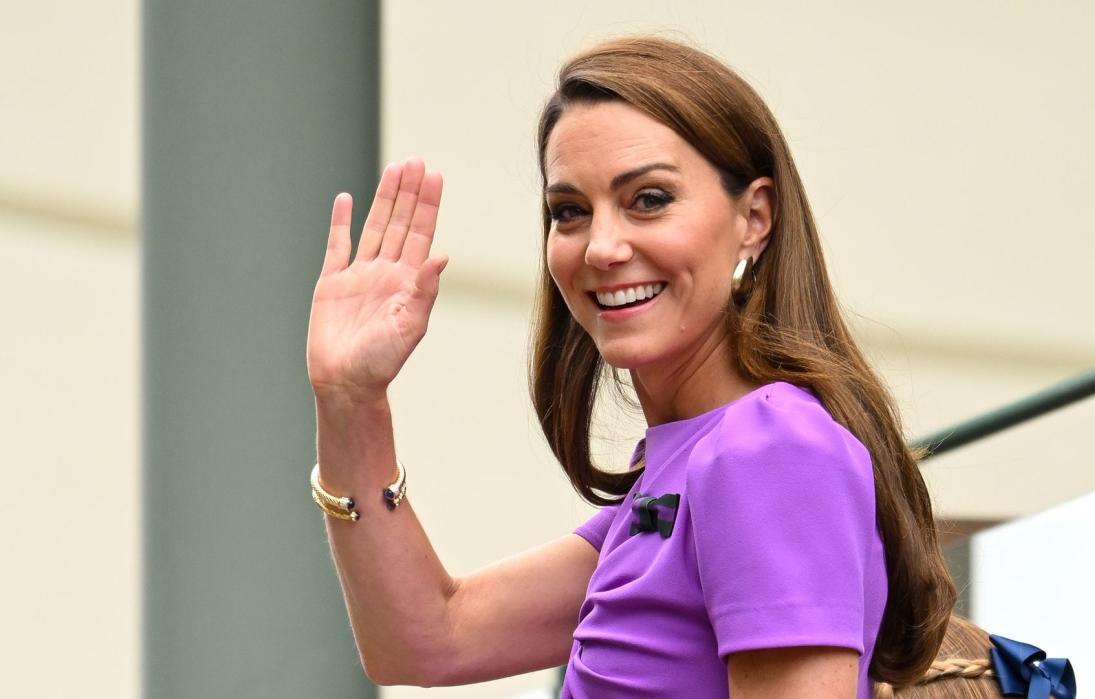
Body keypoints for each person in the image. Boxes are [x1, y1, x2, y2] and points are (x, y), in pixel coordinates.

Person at [305, 36, 956, 698]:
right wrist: (351, 400)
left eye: (648, 199)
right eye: (570, 212)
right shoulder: (684, 473)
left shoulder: (767, 450)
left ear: (754, 218)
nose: (603, 247)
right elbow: (425, 639)